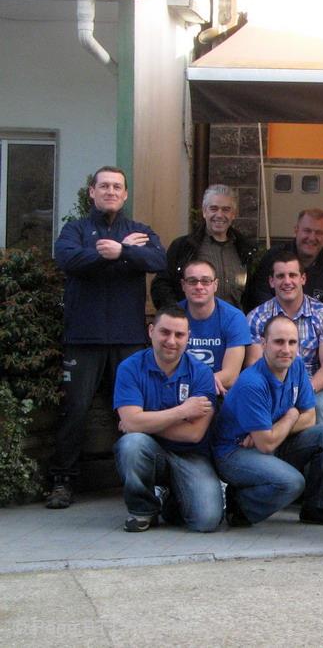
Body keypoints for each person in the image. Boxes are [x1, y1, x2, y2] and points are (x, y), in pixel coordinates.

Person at [48, 166, 167, 509]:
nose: (111, 191)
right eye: (104, 186)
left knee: (133, 411)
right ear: (92, 192)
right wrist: (109, 252)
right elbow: (67, 259)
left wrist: (124, 251)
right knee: (74, 411)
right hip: (83, 338)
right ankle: (62, 481)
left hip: (128, 339)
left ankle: (140, 481)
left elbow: (158, 259)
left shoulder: (139, 231)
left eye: (117, 187)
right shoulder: (75, 229)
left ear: (125, 194)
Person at [213, 315, 323, 526]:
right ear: (263, 344)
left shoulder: (296, 365)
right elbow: (267, 444)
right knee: (291, 483)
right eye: (279, 342)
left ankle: (318, 507)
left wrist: (273, 430)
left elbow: (310, 418)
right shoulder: (252, 383)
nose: (286, 349)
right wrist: (291, 415)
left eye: (292, 342)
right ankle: (240, 505)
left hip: (272, 441)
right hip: (235, 452)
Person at [112, 306, 221, 532]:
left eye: (179, 335)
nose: (171, 341)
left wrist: (142, 423)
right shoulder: (130, 368)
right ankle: (143, 511)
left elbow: (194, 434)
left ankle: (169, 500)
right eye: (165, 332)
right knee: (132, 444)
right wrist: (182, 412)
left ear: (188, 337)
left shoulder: (202, 373)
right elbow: (131, 424)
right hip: (149, 451)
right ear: (151, 331)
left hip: (191, 455)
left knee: (207, 521)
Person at [246, 252, 323, 426]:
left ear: (303, 279)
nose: (287, 281)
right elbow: (254, 363)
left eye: (293, 275)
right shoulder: (257, 317)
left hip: (313, 384)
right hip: (270, 386)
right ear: (271, 281)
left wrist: (304, 392)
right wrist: (279, 394)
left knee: (319, 406)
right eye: (280, 276)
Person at [151, 184, 257, 310]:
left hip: (234, 321)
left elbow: (253, 293)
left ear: (233, 214)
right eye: (213, 208)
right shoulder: (183, 247)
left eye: (226, 209)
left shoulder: (245, 249)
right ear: (204, 212)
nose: (219, 215)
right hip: (191, 320)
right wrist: (176, 314)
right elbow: (161, 285)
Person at [244, 208, 323, 312]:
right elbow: (259, 300)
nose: (312, 238)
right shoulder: (273, 258)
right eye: (307, 231)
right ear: (296, 231)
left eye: (318, 233)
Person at [179, 259, 250, 395]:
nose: (199, 286)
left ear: (215, 285)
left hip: (219, 394)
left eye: (206, 281)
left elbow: (230, 376)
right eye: (192, 281)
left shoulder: (234, 318)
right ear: (183, 285)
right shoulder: (172, 316)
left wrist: (189, 385)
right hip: (179, 393)